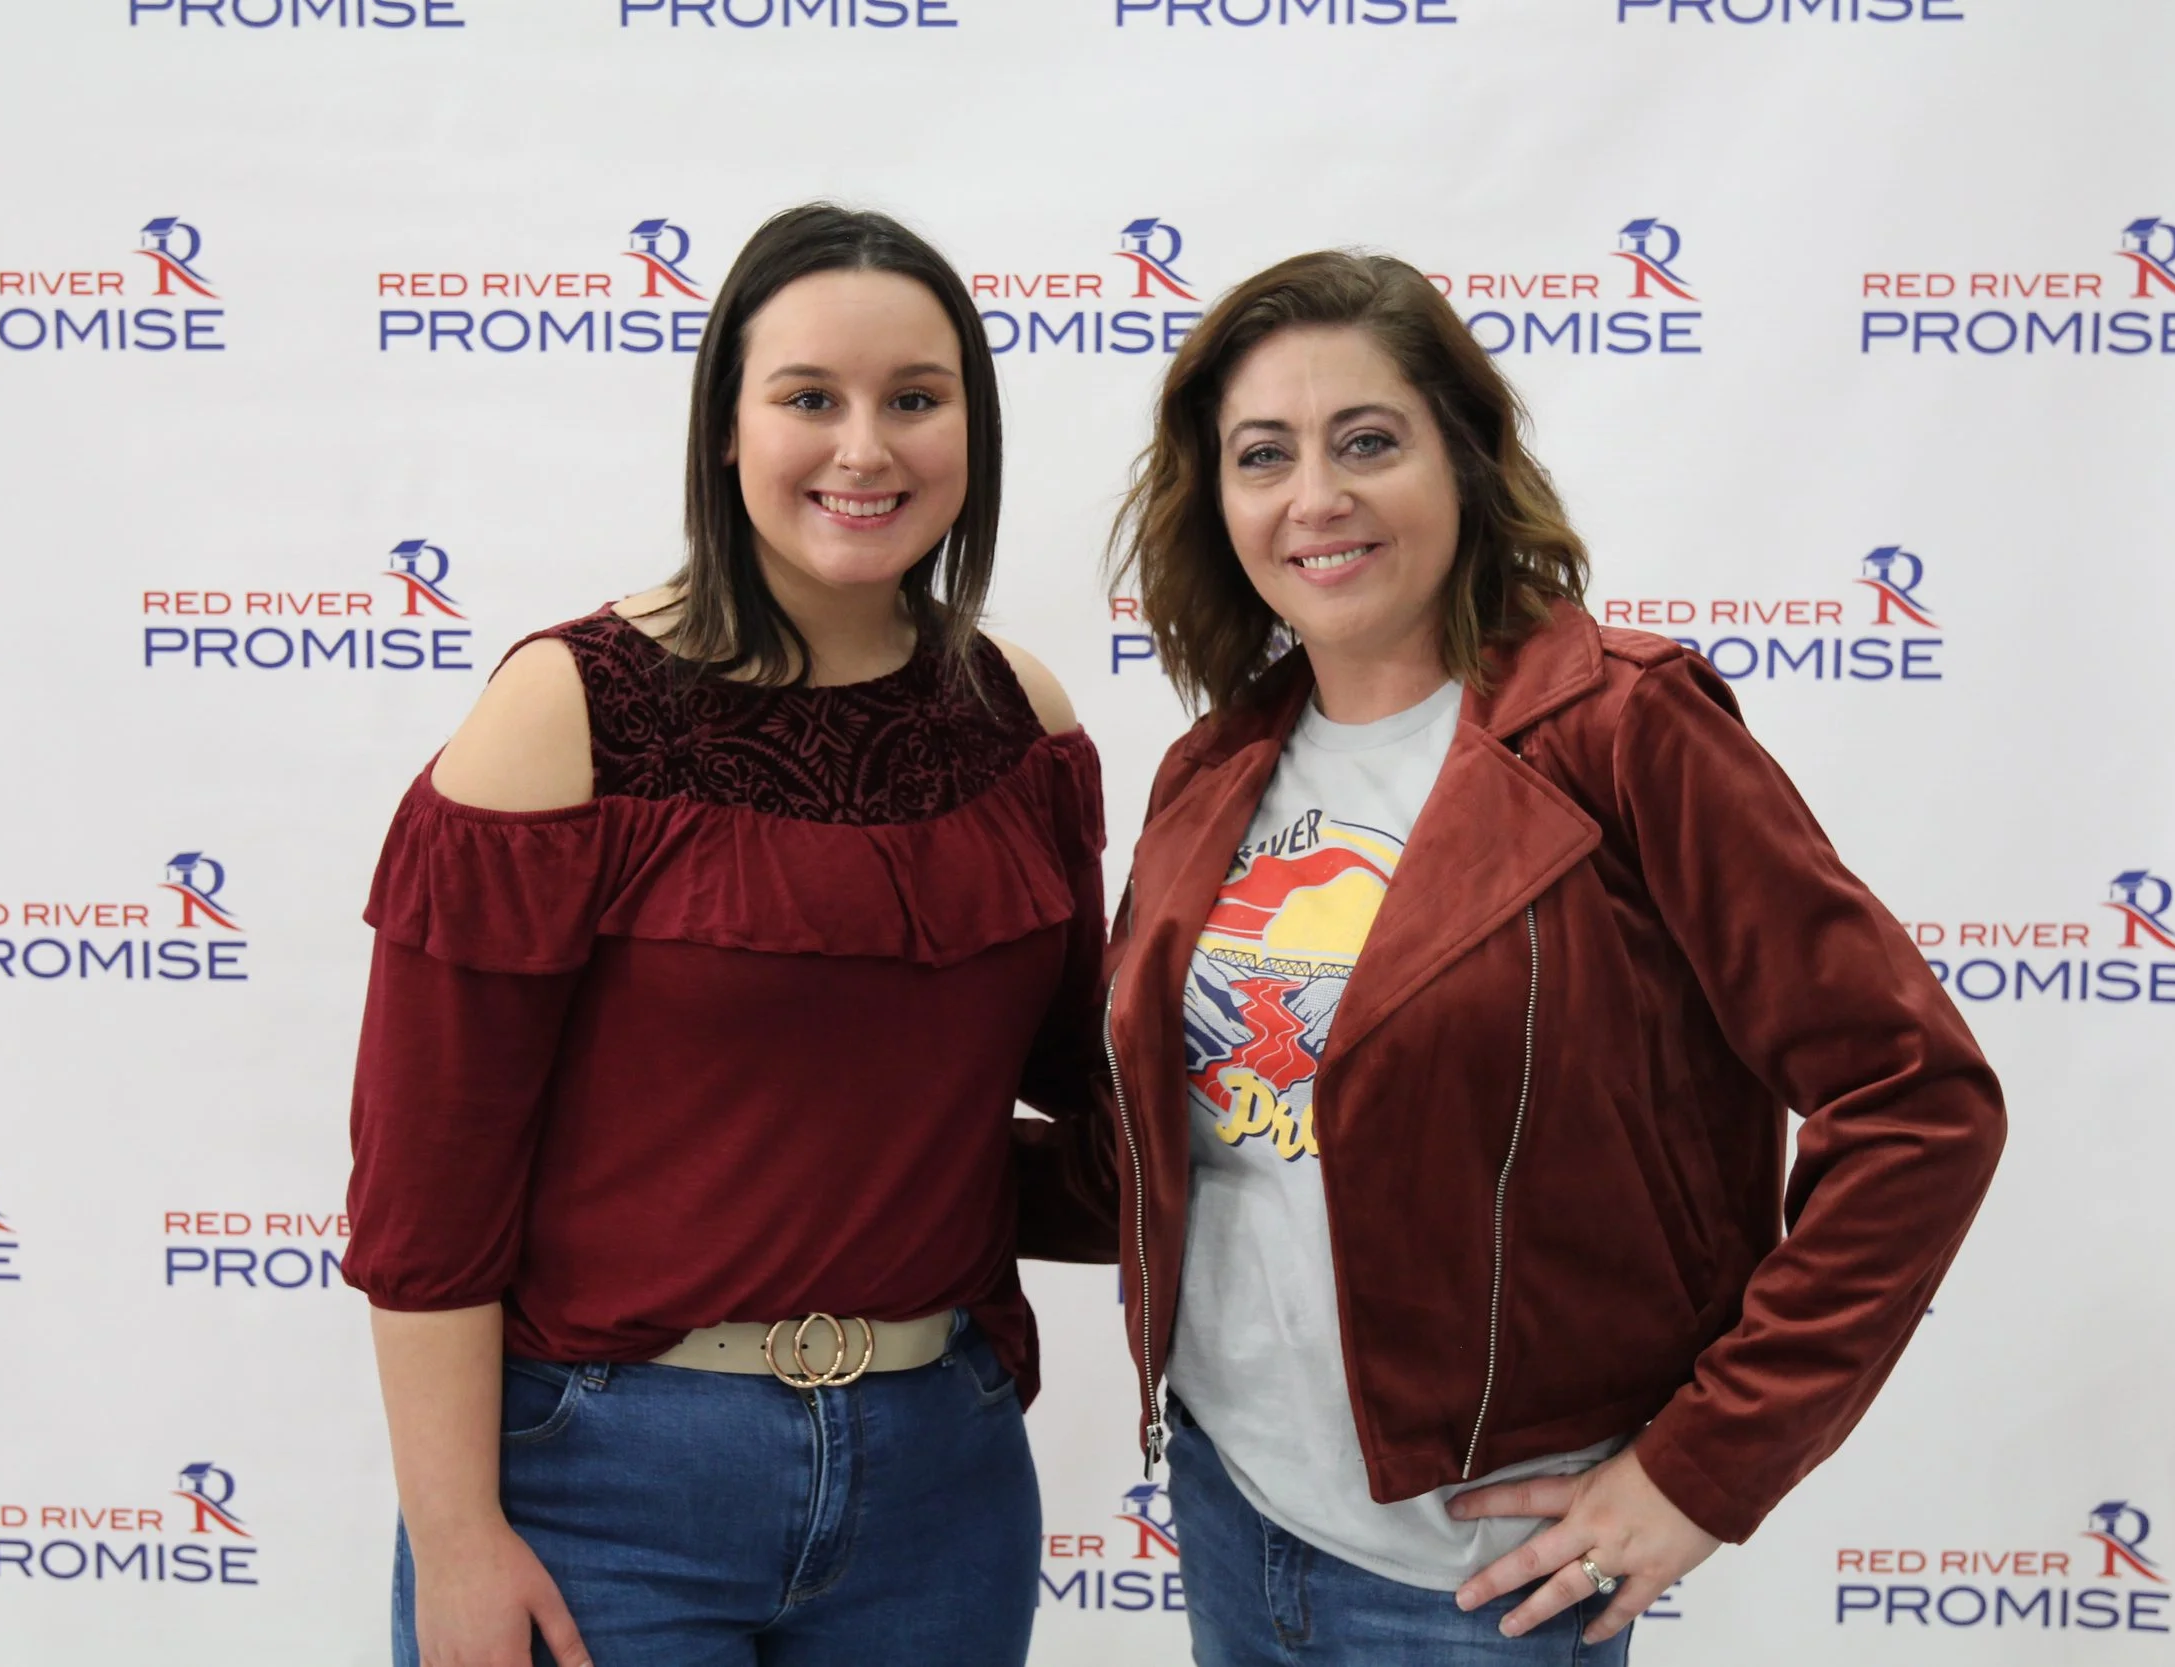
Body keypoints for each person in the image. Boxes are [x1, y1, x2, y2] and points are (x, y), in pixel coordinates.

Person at [1087, 250, 2007, 1664]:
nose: (1314, 496)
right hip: (1227, 1503)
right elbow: (1180, 1144)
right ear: (1217, 501)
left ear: (1464, 462)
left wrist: (1704, 1467)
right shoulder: (1211, 769)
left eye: (1369, 441)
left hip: (1484, 1581)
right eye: (1262, 454)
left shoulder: (1626, 731)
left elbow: (1916, 1102)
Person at [340, 203, 1104, 1667]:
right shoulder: (563, 715)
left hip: (941, 1477)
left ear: (973, 428)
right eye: (810, 398)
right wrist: (453, 1542)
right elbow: (428, 1199)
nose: (865, 448)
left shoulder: (1025, 719)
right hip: (600, 1486)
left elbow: (1096, 1093)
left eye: (916, 400)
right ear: (726, 427)